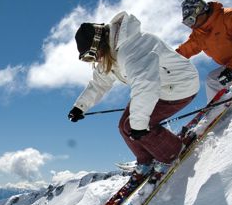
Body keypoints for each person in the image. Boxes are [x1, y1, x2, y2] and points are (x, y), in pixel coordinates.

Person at [68, 12, 200, 176]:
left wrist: (139, 125)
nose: (94, 60)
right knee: (124, 126)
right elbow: (99, 83)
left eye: (91, 56)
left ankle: (173, 152)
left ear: (99, 44)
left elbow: (146, 85)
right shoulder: (110, 54)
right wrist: (80, 107)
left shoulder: (133, 48)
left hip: (180, 85)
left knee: (136, 126)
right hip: (159, 88)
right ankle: (146, 160)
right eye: (88, 59)